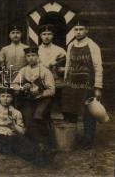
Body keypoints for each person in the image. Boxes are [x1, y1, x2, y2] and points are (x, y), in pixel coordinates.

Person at [0, 87, 55, 167]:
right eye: (3, 96)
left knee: (22, 141)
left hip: (13, 137)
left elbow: (22, 132)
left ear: (12, 98)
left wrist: (13, 126)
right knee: (19, 147)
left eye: (8, 96)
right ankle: (41, 158)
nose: (5, 99)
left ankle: (43, 158)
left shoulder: (16, 113)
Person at [62, 18, 103, 150]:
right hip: (72, 85)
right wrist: (65, 80)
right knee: (71, 111)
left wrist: (98, 88)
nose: (78, 32)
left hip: (87, 85)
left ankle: (88, 140)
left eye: (81, 29)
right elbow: (68, 64)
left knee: (88, 114)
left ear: (87, 30)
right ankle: (72, 138)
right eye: (76, 30)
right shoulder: (71, 45)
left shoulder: (93, 46)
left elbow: (98, 67)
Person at [12, 46, 55, 146]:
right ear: (26, 58)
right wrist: (22, 87)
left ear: (37, 56)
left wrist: (40, 92)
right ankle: (33, 143)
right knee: (27, 117)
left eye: (33, 55)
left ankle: (45, 142)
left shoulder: (45, 71)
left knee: (38, 116)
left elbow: (52, 90)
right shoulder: (23, 71)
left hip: (43, 100)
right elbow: (14, 85)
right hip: (28, 99)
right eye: (28, 56)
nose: (31, 58)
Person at [38, 24, 66, 116]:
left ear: (53, 35)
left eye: (49, 34)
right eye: (44, 34)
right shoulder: (36, 50)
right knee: (43, 110)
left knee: (57, 109)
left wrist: (59, 66)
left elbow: (66, 66)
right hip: (41, 83)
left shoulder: (59, 50)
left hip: (56, 82)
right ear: (40, 36)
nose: (46, 37)